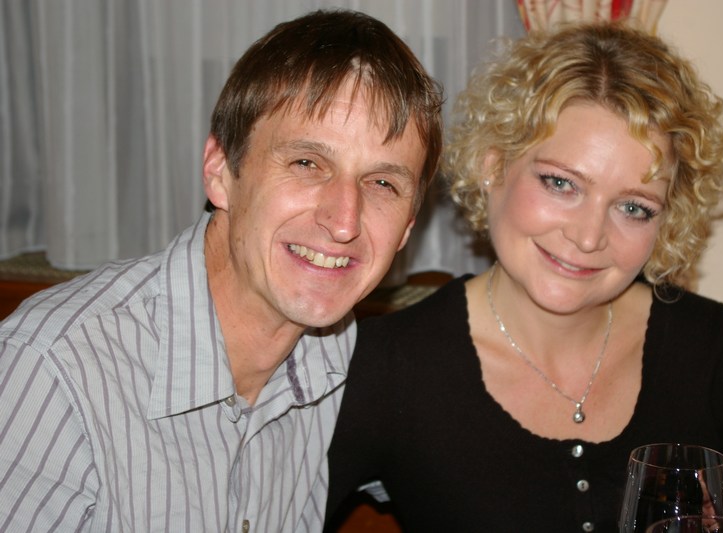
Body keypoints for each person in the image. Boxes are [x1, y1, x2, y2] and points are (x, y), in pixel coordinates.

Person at [325, 21, 723, 532]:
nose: (589, 237)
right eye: (561, 183)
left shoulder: (715, 351)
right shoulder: (388, 365)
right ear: (493, 166)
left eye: (634, 207)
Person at [0, 9, 442, 532]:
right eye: (306, 163)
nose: (344, 221)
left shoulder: (338, 354)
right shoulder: (53, 373)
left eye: (383, 184)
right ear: (219, 171)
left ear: (407, 227)